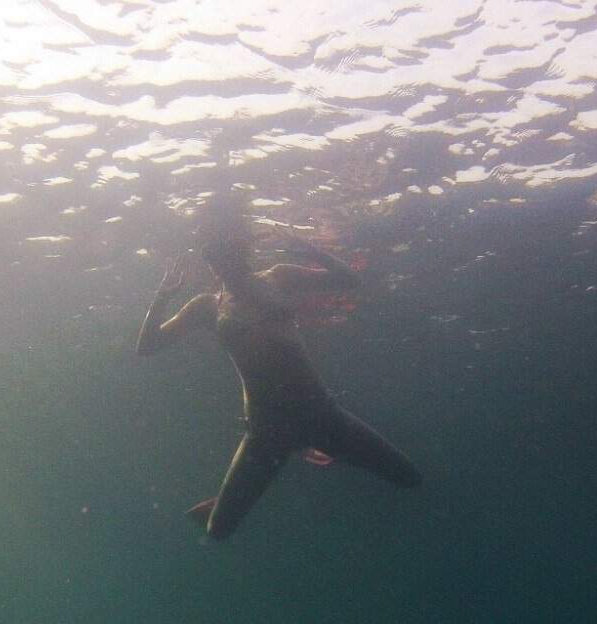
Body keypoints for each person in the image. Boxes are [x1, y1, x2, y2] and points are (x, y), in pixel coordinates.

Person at [136, 194, 420, 539]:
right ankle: (230, 496)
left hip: (319, 413)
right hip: (266, 429)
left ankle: (300, 458)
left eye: (229, 247)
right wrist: (162, 295)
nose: (224, 257)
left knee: (408, 477)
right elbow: (148, 347)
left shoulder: (278, 277)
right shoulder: (207, 306)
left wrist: (311, 250)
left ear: (241, 250)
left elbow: (349, 280)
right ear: (211, 261)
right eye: (215, 252)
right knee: (217, 531)